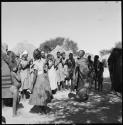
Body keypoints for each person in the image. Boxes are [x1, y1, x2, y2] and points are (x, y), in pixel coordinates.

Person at [29, 49, 53, 114]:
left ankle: (43, 110)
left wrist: (32, 83)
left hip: (39, 79)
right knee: (44, 94)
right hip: (44, 78)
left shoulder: (35, 63)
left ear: (34, 55)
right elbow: (45, 69)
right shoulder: (42, 61)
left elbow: (35, 75)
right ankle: (44, 108)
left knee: (39, 95)